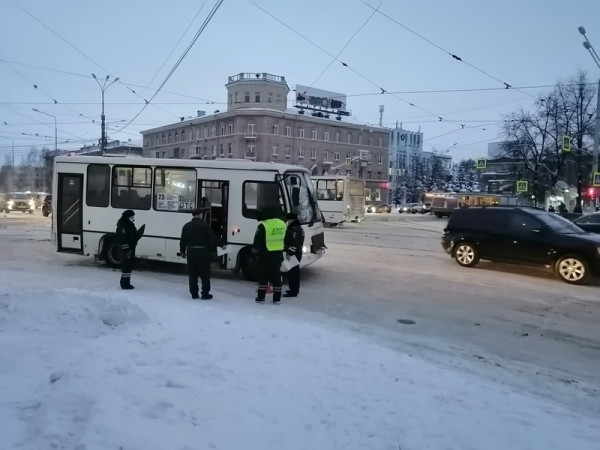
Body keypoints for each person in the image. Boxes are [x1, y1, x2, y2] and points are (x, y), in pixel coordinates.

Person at [179, 208, 224, 300]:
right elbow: (213, 238)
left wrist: (182, 251)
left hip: (191, 253)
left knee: (192, 274)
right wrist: (221, 245)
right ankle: (205, 293)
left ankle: (194, 293)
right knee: (205, 275)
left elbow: (182, 240)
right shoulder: (205, 226)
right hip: (203, 253)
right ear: (200, 215)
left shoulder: (186, 226)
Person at [252, 209, 287, 304]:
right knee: (276, 277)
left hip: (265, 254)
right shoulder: (282, 224)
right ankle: (277, 298)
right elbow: (286, 239)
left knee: (263, 277)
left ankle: (261, 297)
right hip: (278, 255)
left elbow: (257, 241)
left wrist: (254, 254)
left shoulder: (263, 225)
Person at [283, 212, 304, 298]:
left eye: (288, 219)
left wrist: (288, 251)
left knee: (293, 272)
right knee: (293, 272)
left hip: (293, 253)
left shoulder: (294, 229)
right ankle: (293, 289)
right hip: (295, 252)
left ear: (292, 219)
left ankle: (293, 291)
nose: (287, 221)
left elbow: (294, 244)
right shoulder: (298, 228)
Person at [116, 209, 139, 289]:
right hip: (126, 249)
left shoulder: (129, 224)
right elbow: (122, 239)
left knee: (129, 266)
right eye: (131, 216)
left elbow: (132, 235)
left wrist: (137, 236)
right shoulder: (122, 225)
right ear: (127, 217)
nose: (133, 218)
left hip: (131, 248)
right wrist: (126, 250)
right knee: (126, 266)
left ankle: (126, 282)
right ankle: (124, 284)